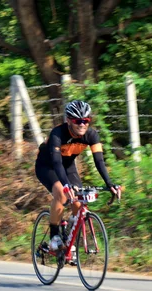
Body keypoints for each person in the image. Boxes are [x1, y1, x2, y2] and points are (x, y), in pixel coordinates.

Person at [35, 100, 121, 251]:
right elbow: (56, 162)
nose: (82, 124)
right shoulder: (57, 133)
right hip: (47, 166)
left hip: (67, 166)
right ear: (69, 120)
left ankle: (69, 241)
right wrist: (66, 186)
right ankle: (54, 237)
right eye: (77, 121)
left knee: (78, 202)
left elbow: (99, 161)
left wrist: (109, 183)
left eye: (86, 121)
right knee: (62, 195)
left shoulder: (91, 135)